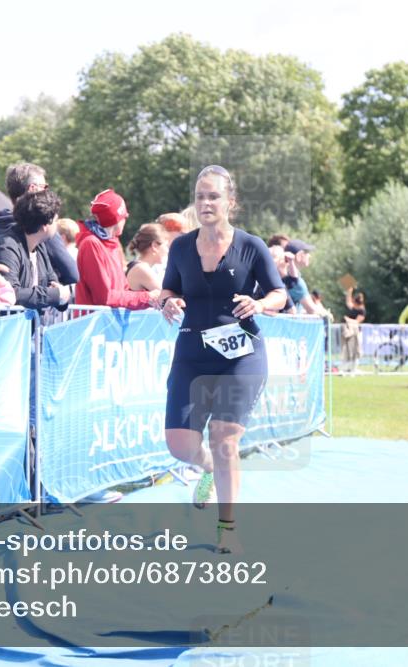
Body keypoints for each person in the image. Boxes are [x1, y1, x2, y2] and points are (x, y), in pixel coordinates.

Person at [158, 165, 286, 554]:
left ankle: (227, 527)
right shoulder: (181, 247)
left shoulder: (252, 246)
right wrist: (167, 301)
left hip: (240, 355)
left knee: (225, 438)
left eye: (213, 196)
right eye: (200, 196)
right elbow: (166, 289)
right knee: (180, 445)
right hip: (192, 352)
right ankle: (209, 468)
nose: (205, 203)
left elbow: (280, 295)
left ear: (231, 202)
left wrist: (260, 303)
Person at [0, 163, 78, 288]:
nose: (46, 192)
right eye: (45, 187)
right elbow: (72, 274)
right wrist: (56, 294)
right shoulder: (41, 229)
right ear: (32, 188)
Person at [0, 189, 72, 313]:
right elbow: (11, 294)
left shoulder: (40, 246)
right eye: (55, 220)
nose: (57, 226)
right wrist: (55, 295)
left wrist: (61, 296)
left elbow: (54, 286)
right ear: (45, 226)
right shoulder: (5, 247)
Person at [75, 189, 157, 309]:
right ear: (116, 220)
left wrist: (148, 299)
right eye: (124, 217)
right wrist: (147, 297)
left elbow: (122, 291)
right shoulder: (91, 244)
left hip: (110, 324)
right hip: (94, 324)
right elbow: (105, 297)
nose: (126, 220)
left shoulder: (113, 242)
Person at [125, 223, 169, 292]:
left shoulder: (141, 267)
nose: (167, 250)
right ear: (154, 246)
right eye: (166, 245)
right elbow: (166, 295)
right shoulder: (141, 269)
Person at [341, 288, 366, 374]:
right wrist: (349, 290)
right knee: (347, 350)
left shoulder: (362, 310)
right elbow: (348, 300)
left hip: (356, 332)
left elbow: (357, 321)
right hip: (349, 332)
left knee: (356, 350)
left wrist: (347, 319)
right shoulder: (353, 308)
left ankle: (354, 368)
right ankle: (346, 368)